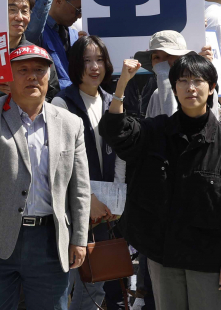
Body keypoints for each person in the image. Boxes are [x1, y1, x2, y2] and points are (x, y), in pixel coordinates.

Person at [106, 53, 221, 309]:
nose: (191, 87)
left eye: (198, 81)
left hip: (211, 258)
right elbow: (116, 133)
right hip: (164, 255)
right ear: (174, 87)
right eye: (183, 81)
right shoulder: (156, 131)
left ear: (211, 89)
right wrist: (122, 86)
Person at [0, 42, 90, 310]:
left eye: (39, 70)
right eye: (23, 70)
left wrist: (79, 239)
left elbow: (80, 188)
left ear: (49, 76)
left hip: (50, 239)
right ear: (9, 77)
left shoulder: (69, 122)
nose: (32, 76)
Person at [52, 36, 127, 310]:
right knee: (69, 279)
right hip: (74, 207)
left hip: (107, 207)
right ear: (74, 65)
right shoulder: (62, 103)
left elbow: (120, 153)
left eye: (99, 60)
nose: (94, 67)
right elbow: (63, 163)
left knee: (96, 279)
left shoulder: (112, 101)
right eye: (86, 61)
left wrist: (116, 198)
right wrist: (89, 199)